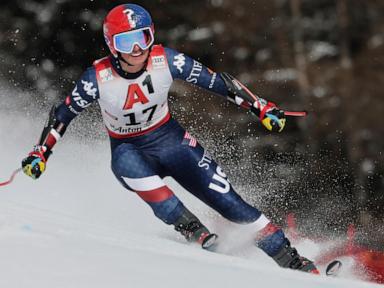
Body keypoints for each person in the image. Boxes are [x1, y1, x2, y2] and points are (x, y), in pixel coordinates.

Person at [22, 4, 318, 274]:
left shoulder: (168, 60)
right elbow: (63, 114)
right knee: (134, 171)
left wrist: (260, 106)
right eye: (127, 42)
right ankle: (192, 229)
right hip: (129, 149)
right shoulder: (96, 78)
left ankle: (291, 260)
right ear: (112, 46)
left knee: (231, 204)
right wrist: (41, 153)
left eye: (144, 37)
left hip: (172, 141)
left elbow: (218, 82)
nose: (138, 49)